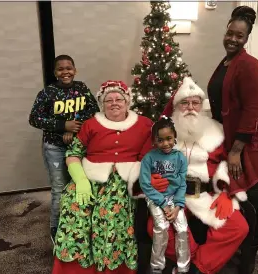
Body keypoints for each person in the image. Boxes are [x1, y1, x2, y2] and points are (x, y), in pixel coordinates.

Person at [148, 76, 249, 274]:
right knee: (155, 226)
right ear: (177, 106)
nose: (190, 107)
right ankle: (191, 262)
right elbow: (147, 160)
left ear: (201, 105)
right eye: (184, 103)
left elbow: (228, 165)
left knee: (238, 227)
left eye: (195, 102)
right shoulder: (163, 131)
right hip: (171, 194)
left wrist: (227, 193)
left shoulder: (216, 131)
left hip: (204, 195)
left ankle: (197, 269)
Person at [52, 80, 154, 274]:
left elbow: (150, 155)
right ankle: (76, 269)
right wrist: (80, 181)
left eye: (119, 99)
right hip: (89, 177)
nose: (114, 103)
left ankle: (111, 268)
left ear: (127, 102)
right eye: (108, 100)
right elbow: (73, 153)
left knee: (110, 215)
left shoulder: (144, 124)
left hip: (124, 181)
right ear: (102, 104)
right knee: (73, 207)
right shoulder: (91, 124)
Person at [207, 6, 258, 273]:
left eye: (240, 36)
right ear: (226, 30)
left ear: (247, 37)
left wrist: (236, 150)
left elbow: (252, 109)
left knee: (252, 197)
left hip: (250, 139)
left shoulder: (249, 65)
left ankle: (249, 259)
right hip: (232, 136)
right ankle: (238, 249)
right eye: (230, 33)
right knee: (236, 195)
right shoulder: (226, 62)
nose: (233, 39)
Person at [29, 55, 99, 242]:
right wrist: (62, 126)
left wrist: (75, 129)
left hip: (80, 146)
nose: (65, 72)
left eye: (69, 68)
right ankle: (56, 228)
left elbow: (93, 111)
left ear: (75, 70)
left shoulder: (82, 88)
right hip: (55, 147)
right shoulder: (47, 93)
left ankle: (78, 224)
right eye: (60, 69)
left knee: (81, 185)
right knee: (59, 189)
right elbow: (34, 118)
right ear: (55, 72)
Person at [140, 116, 190, 274]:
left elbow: (182, 183)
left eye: (169, 138)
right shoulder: (148, 158)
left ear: (174, 137)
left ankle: (183, 268)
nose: (165, 143)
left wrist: (177, 205)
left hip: (175, 199)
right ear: (155, 141)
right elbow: (146, 185)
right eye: (160, 140)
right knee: (161, 226)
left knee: (182, 229)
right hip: (156, 198)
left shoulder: (180, 157)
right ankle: (156, 267)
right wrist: (163, 204)